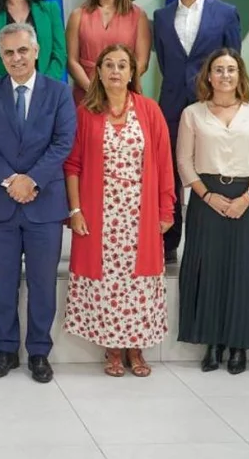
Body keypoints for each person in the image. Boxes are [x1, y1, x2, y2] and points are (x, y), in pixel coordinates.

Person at [0, 23, 76, 382]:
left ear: (35, 51)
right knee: (2, 282)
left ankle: (38, 352)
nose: (16, 58)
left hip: (44, 204)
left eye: (22, 51)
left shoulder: (59, 93)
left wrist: (31, 179)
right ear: (0, 57)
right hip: (2, 207)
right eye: (8, 53)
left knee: (42, 283)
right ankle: (5, 349)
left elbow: (63, 142)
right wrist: (10, 180)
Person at [63, 44, 175, 378]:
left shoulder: (149, 110)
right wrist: (76, 210)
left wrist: (165, 209)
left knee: (138, 283)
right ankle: (112, 349)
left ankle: (135, 348)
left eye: (122, 65)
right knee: (107, 282)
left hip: (139, 214)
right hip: (101, 213)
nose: (115, 71)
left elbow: (164, 163)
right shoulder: (86, 112)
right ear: (98, 72)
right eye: (108, 65)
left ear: (132, 72)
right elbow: (73, 165)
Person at [176, 49, 249, 375]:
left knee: (244, 273)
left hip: (248, 200)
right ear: (208, 76)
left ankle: (238, 346)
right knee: (211, 273)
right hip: (208, 201)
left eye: (231, 69)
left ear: (240, 75)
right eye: (218, 70)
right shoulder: (193, 113)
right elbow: (184, 162)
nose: (225, 76)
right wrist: (207, 196)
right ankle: (212, 343)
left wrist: (248, 196)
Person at [153, 0, 242, 264]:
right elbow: (166, 62)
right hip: (173, 105)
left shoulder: (226, 13)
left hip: (213, 105)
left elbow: (232, 62)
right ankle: (170, 243)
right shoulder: (161, 17)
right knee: (171, 174)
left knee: (215, 170)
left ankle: (213, 240)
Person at [66, 0, 151, 104]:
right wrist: (93, 90)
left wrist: (116, 88)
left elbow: (142, 62)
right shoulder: (77, 16)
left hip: (124, 95)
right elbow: (72, 61)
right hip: (86, 96)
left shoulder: (139, 16)